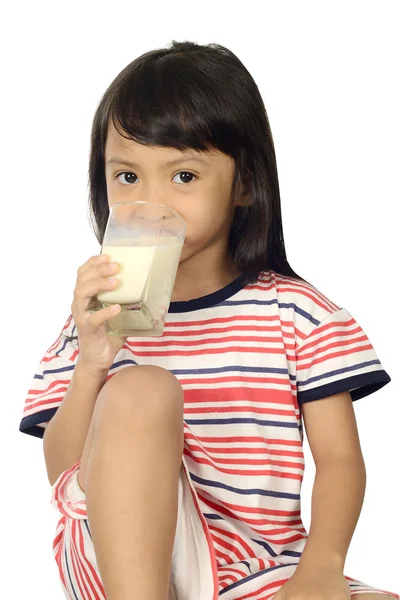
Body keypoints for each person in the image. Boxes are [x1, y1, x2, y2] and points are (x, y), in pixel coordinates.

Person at [19, 40, 399, 600]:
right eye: (127, 177)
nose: (154, 200)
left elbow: (341, 458)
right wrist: (92, 365)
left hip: (263, 568)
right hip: (127, 564)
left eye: (183, 177)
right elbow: (63, 475)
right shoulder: (97, 319)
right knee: (141, 388)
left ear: (243, 184)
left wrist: (322, 565)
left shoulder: (297, 314)